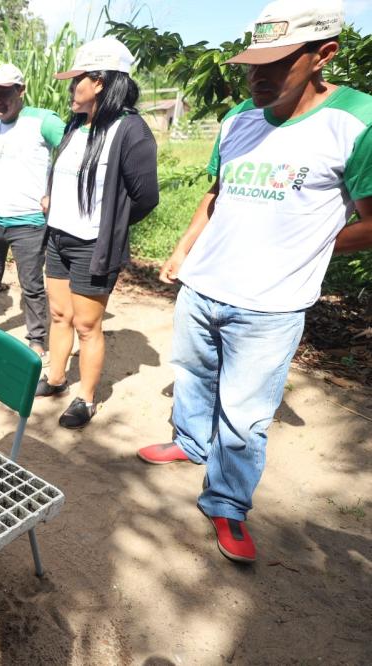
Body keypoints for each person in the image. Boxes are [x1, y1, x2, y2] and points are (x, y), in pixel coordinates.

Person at [136, 0, 372, 564]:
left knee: (243, 414)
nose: (257, 77)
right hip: (205, 285)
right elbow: (216, 194)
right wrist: (183, 247)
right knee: (192, 374)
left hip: (271, 305)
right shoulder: (239, 117)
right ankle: (192, 443)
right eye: (251, 64)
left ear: (324, 55)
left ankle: (227, 502)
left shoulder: (357, 121)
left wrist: (309, 244)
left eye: (277, 63)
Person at [37, 38, 159, 429]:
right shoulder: (76, 124)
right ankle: (56, 379)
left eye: (78, 81)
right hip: (58, 237)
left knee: (87, 326)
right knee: (59, 314)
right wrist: (53, 198)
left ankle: (85, 398)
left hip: (93, 244)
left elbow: (144, 198)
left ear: (101, 81)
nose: (72, 88)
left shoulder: (131, 130)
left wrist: (110, 225)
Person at [0, 64, 66, 356]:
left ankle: (36, 339)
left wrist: (54, 192)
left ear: (21, 91)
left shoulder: (43, 121)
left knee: (32, 286)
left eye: (3, 94)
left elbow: (73, 153)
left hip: (29, 222)